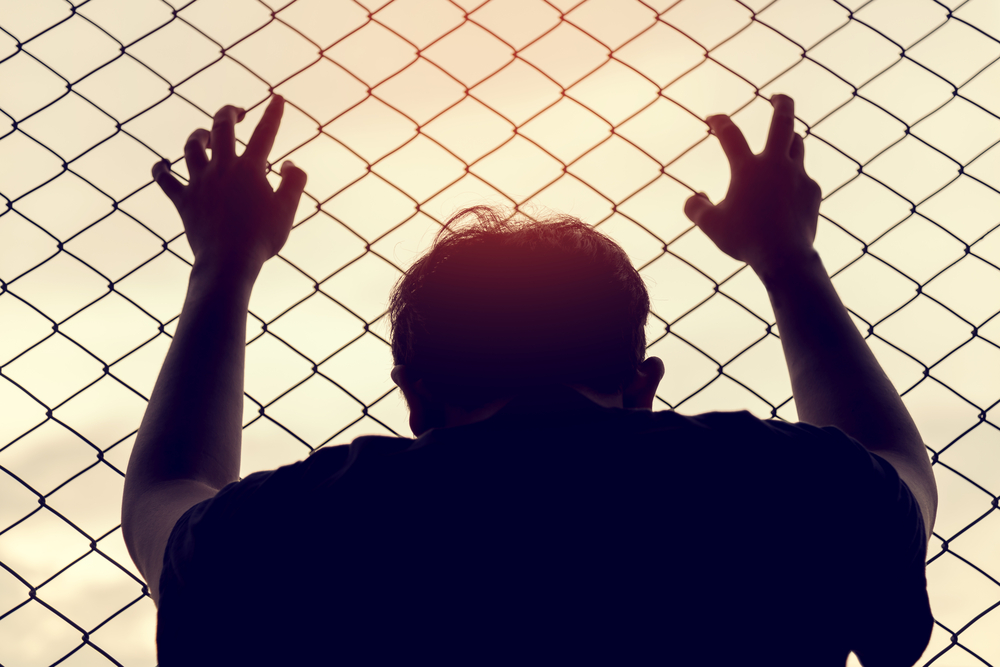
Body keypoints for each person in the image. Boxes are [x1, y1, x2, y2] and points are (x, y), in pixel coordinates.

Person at [120, 93, 937, 666]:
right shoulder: (796, 486)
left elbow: (167, 491)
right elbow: (893, 465)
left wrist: (224, 269)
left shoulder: (299, 524)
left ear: (415, 396)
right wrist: (789, 260)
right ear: (645, 384)